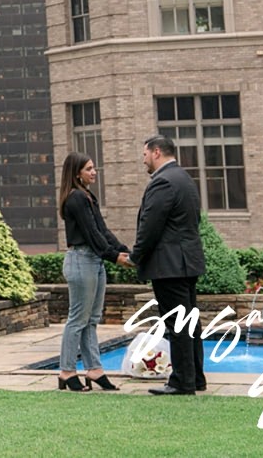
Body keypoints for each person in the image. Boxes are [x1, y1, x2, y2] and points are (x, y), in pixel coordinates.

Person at [131, 133, 207, 396]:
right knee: (189, 323)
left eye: (144, 155)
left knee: (177, 324)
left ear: (156, 152)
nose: (144, 161)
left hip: (169, 265)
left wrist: (135, 256)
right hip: (187, 262)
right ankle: (195, 377)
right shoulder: (185, 178)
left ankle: (181, 382)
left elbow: (150, 226)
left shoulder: (162, 182)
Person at [57, 152, 129, 391]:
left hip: (94, 261)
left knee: (92, 320)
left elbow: (102, 230)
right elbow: (91, 234)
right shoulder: (75, 198)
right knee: (77, 319)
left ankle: (95, 370)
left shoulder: (87, 196)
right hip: (81, 260)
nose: (94, 172)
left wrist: (124, 251)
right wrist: (114, 257)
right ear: (77, 172)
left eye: (93, 167)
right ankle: (67, 372)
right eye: (89, 169)